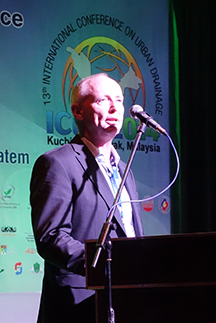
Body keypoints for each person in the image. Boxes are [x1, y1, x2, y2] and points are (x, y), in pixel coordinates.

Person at [30, 73, 145, 323]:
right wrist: (105, 265)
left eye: (119, 99)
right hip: (79, 302)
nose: (115, 107)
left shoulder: (125, 169)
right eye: (103, 100)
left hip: (127, 299)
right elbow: (51, 236)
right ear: (78, 111)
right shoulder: (58, 163)